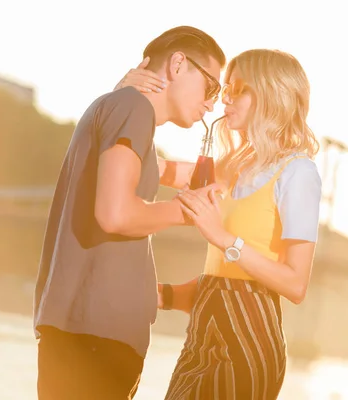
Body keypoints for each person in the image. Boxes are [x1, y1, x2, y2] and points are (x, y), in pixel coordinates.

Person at [33, 25, 226, 400]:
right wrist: (189, 211)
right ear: (177, 64)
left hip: (86, 335)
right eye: (211, 88)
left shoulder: (123, 109)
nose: (212, 104)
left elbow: (170, 172)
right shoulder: (132, 108)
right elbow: (116, 214)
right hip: (95, 339)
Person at [119, 48, 322, 399]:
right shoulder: (235, 166)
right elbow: (156, 167)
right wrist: (126, 99)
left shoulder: (299, 173)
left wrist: (224, 238)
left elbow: (295, 284)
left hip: (249, 343)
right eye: (227, 87)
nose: (225, 98)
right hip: (201, 336)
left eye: (239, 89)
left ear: (272, 94)